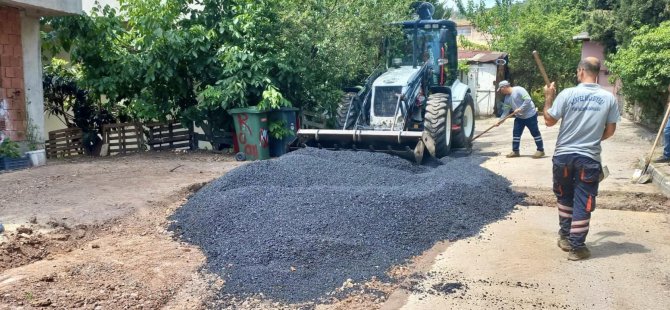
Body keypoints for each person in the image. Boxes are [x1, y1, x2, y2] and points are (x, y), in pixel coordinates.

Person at [543, 57, 619, 261]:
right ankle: (577, 248)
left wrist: (548, 97)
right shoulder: (609, 98)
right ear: (597, 73)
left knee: (565, 197)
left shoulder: (567, 94)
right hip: (589, 159)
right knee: (583, 200)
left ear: (581, 71)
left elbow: (549, 121)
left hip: (563, 157)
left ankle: (565, 237)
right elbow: (610, 131)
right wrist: (593, 138)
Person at [496, 80, 545, 159]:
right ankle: (515, 151)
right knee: (516, 134)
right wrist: (500, 121)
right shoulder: (507, 98)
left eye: (501, 89)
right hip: (519, 117)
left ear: (504, 87)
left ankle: (540, 150)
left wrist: (520, 109)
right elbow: (505, 111)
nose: (501, 92)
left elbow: (528, 100)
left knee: (535, 132)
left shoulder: (519, 90)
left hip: (530, 115)